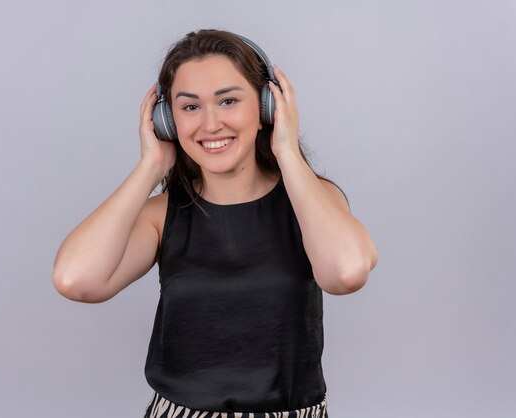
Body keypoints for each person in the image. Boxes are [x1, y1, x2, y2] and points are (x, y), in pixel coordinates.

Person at [52, 29, 378, 418]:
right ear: (167, 121)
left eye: (228, 101)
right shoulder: (162, 214)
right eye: (190, 107)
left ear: (266, 107)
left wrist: (287, 150)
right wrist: (150, 166)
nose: (210, 124)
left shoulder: (312, 200)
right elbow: (75, 280)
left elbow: (347, 272)